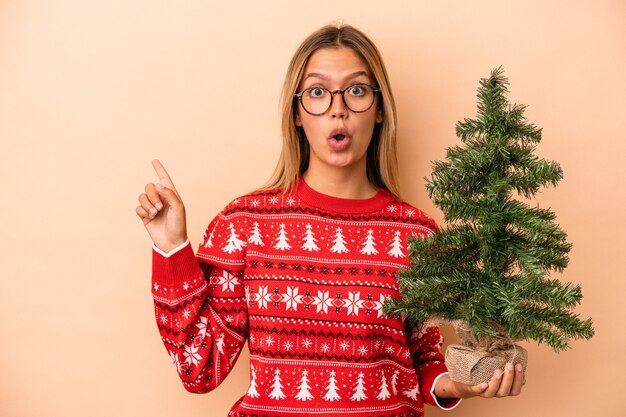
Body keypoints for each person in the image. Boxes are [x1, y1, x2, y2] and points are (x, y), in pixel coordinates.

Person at [136, 24, 524, 417]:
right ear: (298, 114)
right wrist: (171, 249)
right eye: (318, 92)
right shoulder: (244, 224)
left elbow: (423, 359)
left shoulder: (417, 234)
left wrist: (459, 384)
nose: (338, 108)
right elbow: (197, 369)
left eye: (356, 90)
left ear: (378, 110)